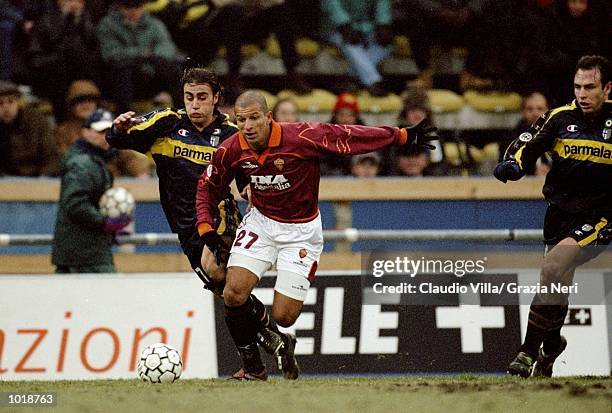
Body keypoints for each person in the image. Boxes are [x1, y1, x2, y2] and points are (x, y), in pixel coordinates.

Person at [195, 90, 437, 380]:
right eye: (241, 119)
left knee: (285, 315)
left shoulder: (303, 136)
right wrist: (205, 226)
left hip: (301, 232)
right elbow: (207, 185)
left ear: (268, 118)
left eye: (254, 118)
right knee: (233, 292)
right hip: (260, 223)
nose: (247, 126)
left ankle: (281, 338)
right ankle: (253, 368)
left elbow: (348, 136)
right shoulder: (232, 148)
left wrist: (399, 136)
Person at [106, 67, 282, 381]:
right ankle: (262, 347)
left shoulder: (231, 133)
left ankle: (263, 347)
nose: (195, 104)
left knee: (217, 272)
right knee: (225, 291)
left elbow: (246, 175)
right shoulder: (166, 124)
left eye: (202, 97)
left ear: (216, 99)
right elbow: (118, 139)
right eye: (189, 97)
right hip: (184, 226)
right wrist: (119, 129)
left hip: (219, 216)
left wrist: (251, 189)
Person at [494, 55, 611, 378]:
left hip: (600, 217)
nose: (582, 94)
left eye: (590, 87)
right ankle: (551, 347)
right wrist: (514, 164)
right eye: (577, 87)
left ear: (607, 88)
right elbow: (526, 144)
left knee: (553, 267)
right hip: (559, 213)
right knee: (556, 283)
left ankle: (527, 352)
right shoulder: (559, 118)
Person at [52, 109, 131, 273]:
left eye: (109, 131)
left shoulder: (95, 161)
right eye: (100, 131)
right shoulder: (83, 165)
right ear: (85, 131)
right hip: (85, 256)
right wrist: (105, 223)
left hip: (81, 253)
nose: (105, 137)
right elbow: (75, 204)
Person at [96, 0, 181, 113]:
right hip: (122, 77)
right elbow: (110, 53)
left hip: (150, 73)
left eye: (137, 6)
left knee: (172, 68)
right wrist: (142, 53)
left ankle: (182, 113)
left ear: (143, 6)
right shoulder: (107, 24)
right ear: (120, 7)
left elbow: (168, 49)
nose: (133, 11)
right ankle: (123, 115)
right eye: (128, 6)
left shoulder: (154, 24)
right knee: (122, 69)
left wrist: (150, 56)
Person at [55, 79, 151, 177]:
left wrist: (141, 175)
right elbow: (61, 162)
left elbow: (132, 159)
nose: (86, 104)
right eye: (79, 101)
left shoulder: (111, 125)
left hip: (112, 180)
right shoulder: (62, 132)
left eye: (90, 100)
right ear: (71, 105)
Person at [27, 0, 101, 121]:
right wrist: (65, 19)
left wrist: (78, 20)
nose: (74, 4)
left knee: (85, 60)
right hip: (52, 72)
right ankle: (62, 122)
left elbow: (93, 47)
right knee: (62, 65)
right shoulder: (46, 20)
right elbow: (37, 57)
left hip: (81, 72)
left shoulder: (87, 19)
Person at [321, 0, 393, 96]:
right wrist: (345, 25)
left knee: (385, 45)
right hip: (335, 26)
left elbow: (383, 3)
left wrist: (383, 23)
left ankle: (350, 77)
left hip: (367, 26)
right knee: (350, 44)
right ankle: (374, 82)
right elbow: (332, 4)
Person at [0, 80, 60, 176]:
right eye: (0, 103)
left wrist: (42, 179)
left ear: (18, 102)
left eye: (11, 101)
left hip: (37, 178)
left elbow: (51, 157)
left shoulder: (37, 121)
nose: (6, 108)